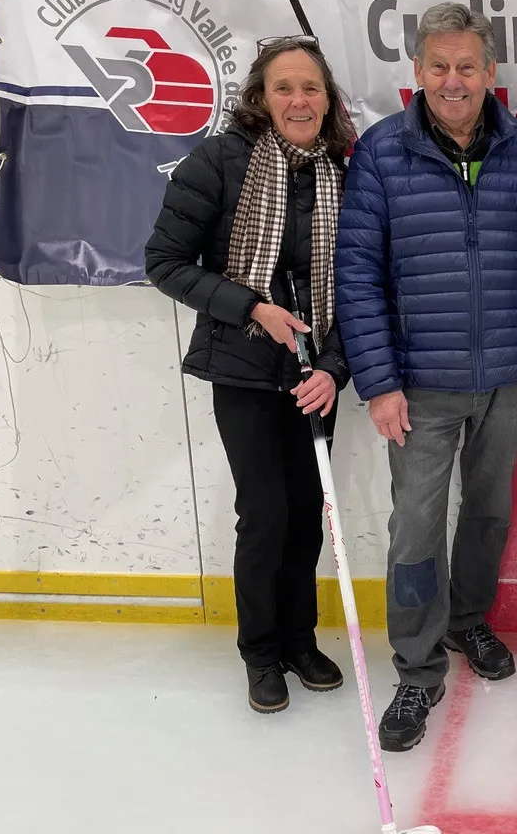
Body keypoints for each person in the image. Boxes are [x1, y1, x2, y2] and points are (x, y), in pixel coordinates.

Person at [335, 2, 517, 752]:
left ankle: (467, 621)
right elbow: (357, 277)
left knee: (490, 512)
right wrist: (379, 381)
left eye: (467, 66)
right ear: (418, 71)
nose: (453, 80)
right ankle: (416, 665)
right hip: (418, 384)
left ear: (491, 72)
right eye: (440, 66)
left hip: (509, 376)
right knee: (416, 526)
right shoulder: (380, 155)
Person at [145, 35, 359, 714]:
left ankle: (300, 641)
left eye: (311, 88)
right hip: (242, 369)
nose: (299, 100)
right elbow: (165, 263)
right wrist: (252, 308)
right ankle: (261, 653)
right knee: (264, 516)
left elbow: (361, 285)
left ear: (327, 99)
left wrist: (334, 369)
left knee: (306, 515)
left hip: (313, 378)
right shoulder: (218, 162)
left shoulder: (342, 171)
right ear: (261, 98)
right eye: (284, 87)